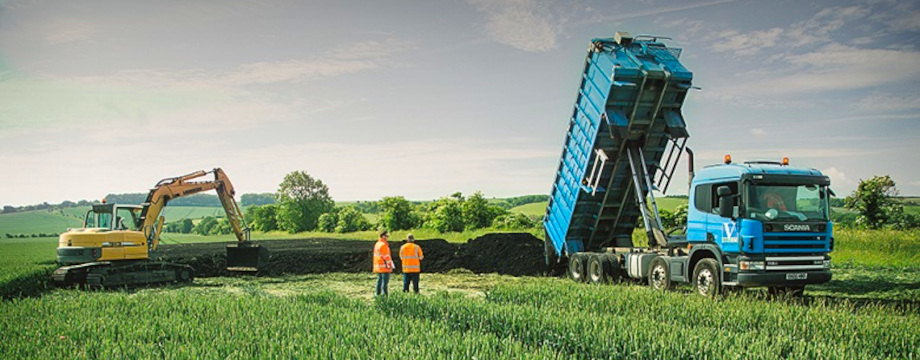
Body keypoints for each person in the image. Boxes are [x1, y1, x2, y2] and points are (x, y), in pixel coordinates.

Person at [372, 230, 394, 296]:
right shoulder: (383, 245)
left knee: (379, 281)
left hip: (378, 266)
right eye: (387, 236)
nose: (387, 238)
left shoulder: (377, 244)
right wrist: (390, 265)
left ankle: (377, 294)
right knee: (385, 282)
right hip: (384, 266)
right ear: (383, 236)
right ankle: (385, 296)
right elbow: (386, 257)